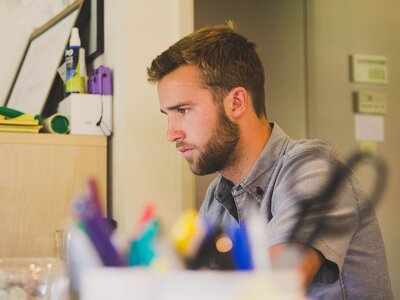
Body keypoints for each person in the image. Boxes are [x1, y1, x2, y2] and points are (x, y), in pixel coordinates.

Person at [147, 22, 393, 299]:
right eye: (167, 115)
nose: (172, 133)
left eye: (182, 110)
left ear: (237, 103)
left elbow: (275, 286)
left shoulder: (314, 169)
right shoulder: (217, 198)